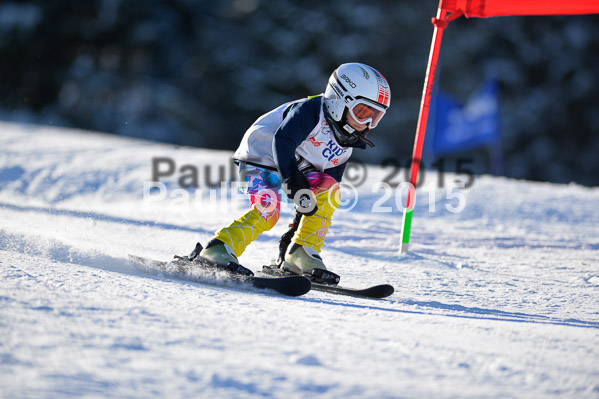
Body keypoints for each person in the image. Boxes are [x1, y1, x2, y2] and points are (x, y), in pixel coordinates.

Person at [190, 62, 391, 280]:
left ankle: (301, 253)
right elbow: (283, 140)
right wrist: (293, 180)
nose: (367, 123)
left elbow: (315, 197)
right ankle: (217, 249)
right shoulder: (311, 111)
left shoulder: (344, 144)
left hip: (296, 168)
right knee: (268, 210)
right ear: (339, 100)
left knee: (330, 190)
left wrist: (293, 232)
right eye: (361, 112)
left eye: (376, 116)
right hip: (261, 159)